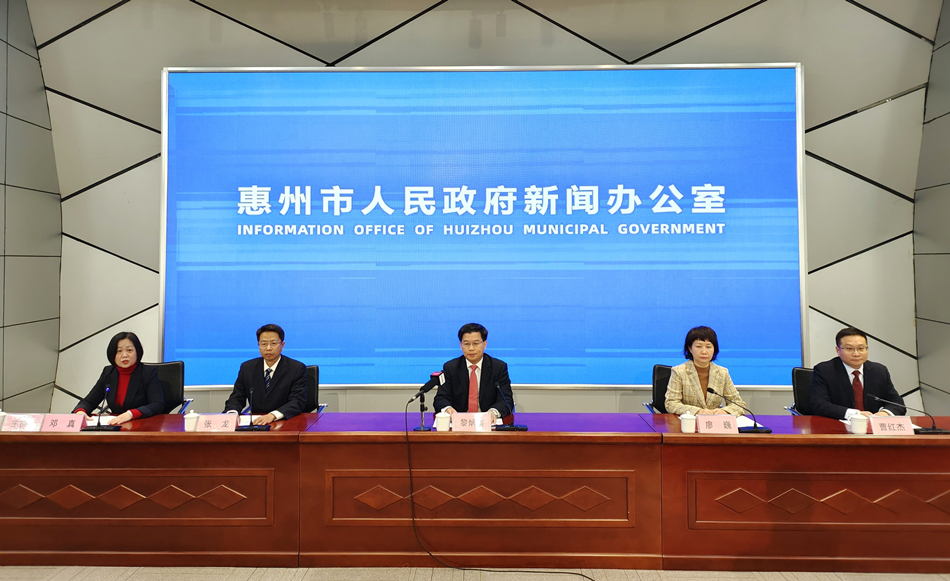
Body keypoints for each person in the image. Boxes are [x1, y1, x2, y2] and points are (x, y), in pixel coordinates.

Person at [809, 326, 905, 420]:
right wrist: (855, 414)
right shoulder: (824, 370)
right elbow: (819, 404)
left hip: (871, 426)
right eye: (849, 349)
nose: (856, 354)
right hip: (837, 424)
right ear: (838, 350)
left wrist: (884, 413)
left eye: (861, 348)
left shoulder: (879, 371)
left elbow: (897, 403)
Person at [223, 323, 307, 425]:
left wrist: (273, 415)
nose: (268, 348)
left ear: (282, 345)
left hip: (285, 422)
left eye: (273, 343)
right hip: (257, 424)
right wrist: (232, 413)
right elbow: (237, 397)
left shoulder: (296, 368)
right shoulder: (247, 368)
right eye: (263, 344)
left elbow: (297, 401)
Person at [74, 331, 164, 424]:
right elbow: (89, 401)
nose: (124, 355)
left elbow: (157, 404)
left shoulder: (148, 373)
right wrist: (80, 411)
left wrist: (131, 414)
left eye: (129, 350)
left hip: (141, 424)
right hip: (115, 425)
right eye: (119, 351)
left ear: (137, 352)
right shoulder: (108, 372)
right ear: (113, 354)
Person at [434, 323, 514, 420]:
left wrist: (493, 413)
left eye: (476, 343)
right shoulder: (450, 368)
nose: (471, 348)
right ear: (461, 345)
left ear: (484, 344)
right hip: (459, 422)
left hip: (487, 422)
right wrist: (448, 409)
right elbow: (441, 398)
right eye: (466, 344)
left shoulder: (498, 367)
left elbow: (506, 399)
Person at [665, 326, 747, 416]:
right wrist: (697, 411)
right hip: (689, 422)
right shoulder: (679, 371)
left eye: (708, 346)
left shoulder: (722, 372)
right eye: (699, 346)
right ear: (690, 348)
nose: (704, 351)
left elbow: (739, 404)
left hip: (714, 421)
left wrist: (724, 411)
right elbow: (671, 404)